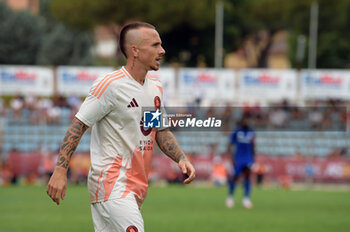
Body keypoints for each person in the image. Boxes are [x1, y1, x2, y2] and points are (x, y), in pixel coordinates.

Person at [46, 22, 196, 232]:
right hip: (111, 182)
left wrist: (181, 158)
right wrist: (60, 171)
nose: (162, 51)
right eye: (155, 45)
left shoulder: (154, 87)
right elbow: (78, 125)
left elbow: (159, 130)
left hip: (136, 187)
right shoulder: (110, 84)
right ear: (135, 50)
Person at [226, 116, 255, 209]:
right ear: (241, 121)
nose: (246, 122)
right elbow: (230, 144)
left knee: (247, 177)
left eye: (247, 120)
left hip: (248, 158)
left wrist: (253, 158)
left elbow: (253, 145)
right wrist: (231, 158)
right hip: (238, 158)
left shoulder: (251, 132)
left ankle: (246, 199)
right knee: (234, 178)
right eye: (244, 120)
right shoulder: (237, 132)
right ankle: (230, 197)